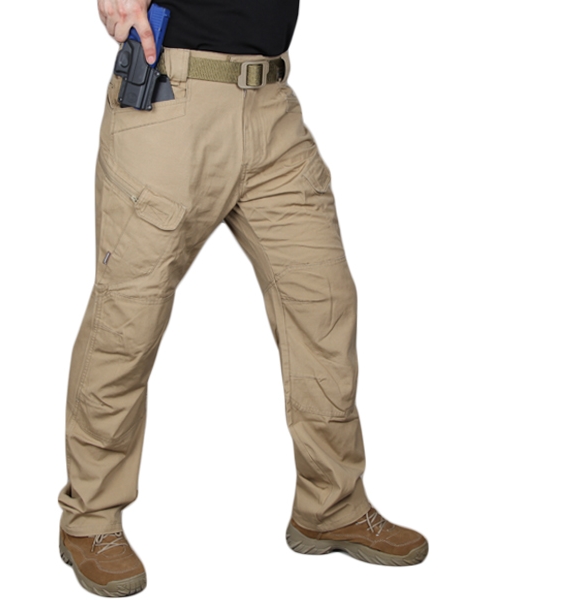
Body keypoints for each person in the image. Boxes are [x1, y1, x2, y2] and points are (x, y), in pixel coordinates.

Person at [57, 0, 428, 596]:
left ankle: (330, 505)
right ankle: (91, 520)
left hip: (272, 103)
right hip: (172, 98)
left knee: (324, 303)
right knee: (129, 319)